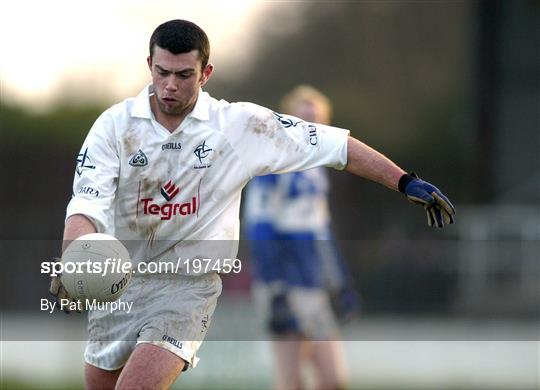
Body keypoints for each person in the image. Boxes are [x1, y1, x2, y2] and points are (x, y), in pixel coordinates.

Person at [49, 19, 455, 390]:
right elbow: (86, 205)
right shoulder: (113, 127)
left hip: (186, 288)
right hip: (121, 284)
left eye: (184, 75)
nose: (170, 85)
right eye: (162, 73)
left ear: (206, 74)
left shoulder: (240, 126)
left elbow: (336, 146)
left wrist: (404, 180)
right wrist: (76, 262)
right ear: (149, 65)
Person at [244, 85, 360, 390]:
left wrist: (340, 280)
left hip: (314, 283)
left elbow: (321, 231)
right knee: (291, 381)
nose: (313, 128)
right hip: (284, 282)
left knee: (333, 380)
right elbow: (259, 227)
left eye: (318, 121)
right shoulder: (273, 166)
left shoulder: (316, 171)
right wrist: (276, 287)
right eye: (305, 120)